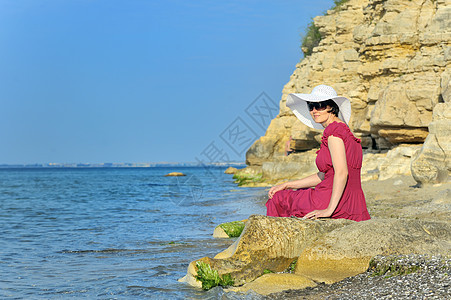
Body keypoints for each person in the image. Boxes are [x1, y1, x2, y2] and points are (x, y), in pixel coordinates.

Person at [266, 85, 370, 222]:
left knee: (279, 198)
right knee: (287, 192)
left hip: (333, 201)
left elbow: (342, 172)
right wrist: (287, 184)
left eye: (319, 105)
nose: (314, 111)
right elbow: (324, 175)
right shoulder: (345, 131)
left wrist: (329, 210)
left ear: (331, 107)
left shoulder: (333, 132)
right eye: (311, 106)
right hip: (354, 202)